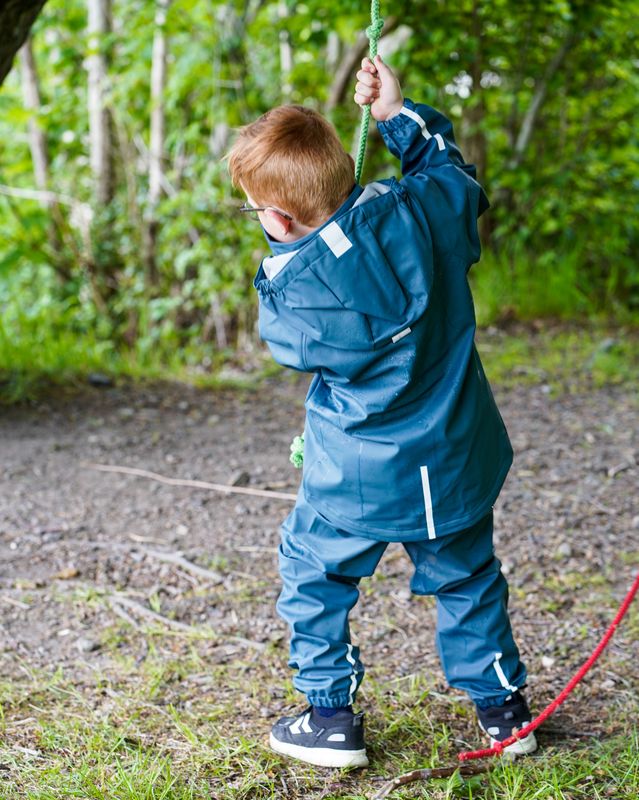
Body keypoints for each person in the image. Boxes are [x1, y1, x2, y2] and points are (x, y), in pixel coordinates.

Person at [226, 54, 537, 769]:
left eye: (256, 213)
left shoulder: (293, 299)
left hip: (356, 479)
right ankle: (504, 715)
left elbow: (290, 330)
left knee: (311, 569)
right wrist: (395, 116)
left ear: (275, 216)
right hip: (454, 459)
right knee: (466, 579)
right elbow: (453, 176)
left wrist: (284, 251)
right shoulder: (424, 209)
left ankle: (330, 716)